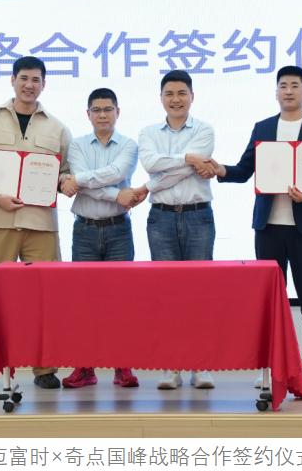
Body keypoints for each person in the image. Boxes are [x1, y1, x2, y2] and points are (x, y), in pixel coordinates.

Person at [211, 65, 302, 391]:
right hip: (269, 228)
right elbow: (244, 170)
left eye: (295, 85)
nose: (289, 91)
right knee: (269, 302)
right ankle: (268, 367)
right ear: (276, 92)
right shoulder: (264, 127)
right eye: (283, 85)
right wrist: (220, 169)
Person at [0, 55, 72, 392]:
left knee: (46, 297)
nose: (29, 85)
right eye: (24, 78)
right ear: (12, 80)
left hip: (40, 224)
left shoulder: (57, 127)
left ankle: (45, 368)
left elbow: (65, 172)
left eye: (36, 80)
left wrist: (65, 182)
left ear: (44, 84)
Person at [59, 88, 147, 389]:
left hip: (118, 230)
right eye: (96, 110)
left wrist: (79, 180)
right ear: (88, 114)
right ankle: (85, 367)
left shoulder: (129, 145)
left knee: (121, 302)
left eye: (108, 109)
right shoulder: (77, 145)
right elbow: (95, 183)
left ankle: (123, 366)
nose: (102, 115)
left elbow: (115, 172)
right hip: (84, 230)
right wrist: (116, 195)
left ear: (117, 112)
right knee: (83, 303)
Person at [136, 70, 217, 390]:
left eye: (182, 93)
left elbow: (167, 170)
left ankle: (201, 366)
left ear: (192, 96)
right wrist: (188, 158)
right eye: (169, 93)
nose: (176, 99)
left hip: (198, 217)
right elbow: (152, 164)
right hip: (162, 218)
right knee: (166, 294)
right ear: (161, 98)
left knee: (200, 294)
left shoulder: (205, 130)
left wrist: (150, 184)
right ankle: (171, 366)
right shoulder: (148, 133)